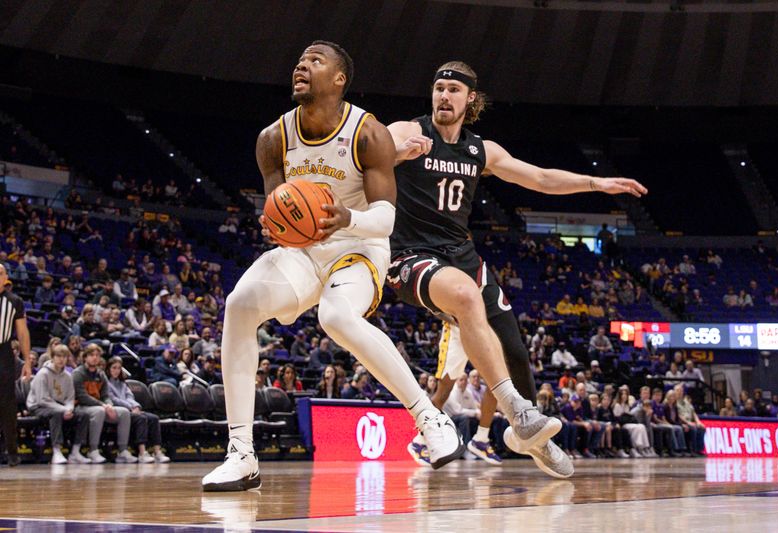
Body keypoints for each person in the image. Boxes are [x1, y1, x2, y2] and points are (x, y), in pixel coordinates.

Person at [203, 41, 464, 492]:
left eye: (315, 60)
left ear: (339, 79)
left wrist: (348, 218)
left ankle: (430, 419)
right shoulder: (272, 138)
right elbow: (278, 206)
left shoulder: (369, 133)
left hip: (359, 245)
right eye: (300, 60)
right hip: (304, 251)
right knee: (240, 303)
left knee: (336, 315)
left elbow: (386, 218)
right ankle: (241, 453)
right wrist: (274, 225)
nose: (301, 65)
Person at [387, 61, 646, 478]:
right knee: (463, 304)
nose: (444, 96)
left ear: (470, 99)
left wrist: (597, 185)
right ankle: (467, 422)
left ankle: (531, 436)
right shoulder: (407, 131)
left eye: (454, 90)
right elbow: (368, 154)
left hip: (461, 255)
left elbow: (541, 178)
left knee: (514, 346)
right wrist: (394, 153)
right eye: (438, 88)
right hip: (410, 254)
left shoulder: (480, 150)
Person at [72, 343, 137, 463]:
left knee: (124, 412)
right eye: (91, 355)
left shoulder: (101, 374)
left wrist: (109, 405)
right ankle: (93, 450)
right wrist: (103, 405)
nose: (95, 358)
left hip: (99, 406)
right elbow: (82, 397)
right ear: (85, 357)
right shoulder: (78, 373)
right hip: (80, 406)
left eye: (97, 355)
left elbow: (106, 395)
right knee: (99, 411)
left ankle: (122, 451)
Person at [26, 345, 84, 464]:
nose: (61, 359)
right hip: (38, 406)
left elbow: (70, 398)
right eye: (58, 356)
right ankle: (56, 450)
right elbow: (42, 399)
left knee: (83, 415)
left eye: (64, 356)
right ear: (52, 357)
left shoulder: (68, 376)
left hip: (60, 405)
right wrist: (63, 410)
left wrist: (69, 409)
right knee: (56, 413)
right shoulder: (43, 374)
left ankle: (75, 451)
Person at [106, 356, 170, 463]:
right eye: (114, 368)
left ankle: (157, 451)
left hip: (131, 409)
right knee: (141, 418)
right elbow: (113, 399)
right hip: (119, 411)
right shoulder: (107, 383)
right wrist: (130, 408)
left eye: (118, 368)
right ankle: (142, 452)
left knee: (153, 418)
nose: (116, 371)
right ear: (108, 369)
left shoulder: (123, 383)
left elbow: (129, 396)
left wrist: (136, 406)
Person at [0, 264, 31, 466]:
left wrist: (27, 360)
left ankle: (12, 451)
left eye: (2, 272)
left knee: (7, 404)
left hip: (3, 352)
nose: (2, 275)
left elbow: (22, 333)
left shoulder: (15, 301)